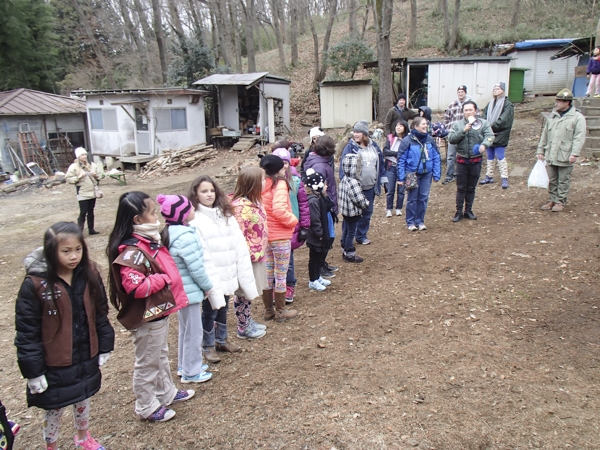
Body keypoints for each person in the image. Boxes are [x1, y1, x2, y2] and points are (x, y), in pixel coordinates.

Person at [16, 222, 115, 449]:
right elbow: (27, 332)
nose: (73, 256)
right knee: (54, 407)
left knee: (83, 397)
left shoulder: (88, 274)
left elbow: (100, 312)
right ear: (52, 250)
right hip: (55, 361)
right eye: (66, 251)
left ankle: (83, 436)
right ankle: (51, 445)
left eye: (78, 249)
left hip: (84, 354)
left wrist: (105, 344)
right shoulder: (35, 285)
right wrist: (34, 371)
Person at [107, 191, 194, 423]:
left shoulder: (148, 240)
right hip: (148, 316)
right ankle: (146, 405)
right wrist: (164, 279)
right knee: (147, 361)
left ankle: (166, 392)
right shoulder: (133, 250)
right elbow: (136, 287)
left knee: (160, 354)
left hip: (159, 311)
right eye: (153, 212)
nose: (157, 216)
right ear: (137, 220)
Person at [188, 176, 259, 360]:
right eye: (204, 191)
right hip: (211, 274)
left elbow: (237, 242)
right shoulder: (195, 219)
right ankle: (208, 344)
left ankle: (222, 339)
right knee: (210, 310)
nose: (209, 194)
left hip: (227, 270)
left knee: (223, 307)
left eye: (211, 190)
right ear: (196, 194)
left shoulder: (225, 214)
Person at [157, 194, 221, 383]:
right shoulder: (186, 236)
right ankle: (192, 372)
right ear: (183, 214)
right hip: (189, 291)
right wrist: (207, 286)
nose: (194, 210)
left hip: (179, 291)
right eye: (190, 208)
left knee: (185, 329)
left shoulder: (171, 232)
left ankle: (184, 365)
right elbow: (196, 268)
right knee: (194, 332)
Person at [230, 167, 269, 337]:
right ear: (252, 183)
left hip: (257, 253)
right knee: (243, 292)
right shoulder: (239, 207)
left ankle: (247, 320)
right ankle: (243, 326)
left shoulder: (255, 202)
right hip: (247, 256)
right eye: (262, 179)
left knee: (249, 291)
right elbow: (238, 234)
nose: (265, 182)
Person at [259, 155, 299, 321]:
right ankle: (281, 312)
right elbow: (279, 210)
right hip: (280, 237)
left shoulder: (261, 183)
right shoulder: (281, 183)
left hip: (266, 237)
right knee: (281, 274)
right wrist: (294, 221)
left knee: (268, 274)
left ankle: (269, 310)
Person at [537, 89, 586, 212]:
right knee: (552, 179)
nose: (556, 103)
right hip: (551, 153)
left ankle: (560, 201)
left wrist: (575, 153)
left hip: (565, 153)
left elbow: (579, 137)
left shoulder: (577, 117)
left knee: (563, 179)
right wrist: (540, 150)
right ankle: (552, 199)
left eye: (559, 101)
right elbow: (545, 135)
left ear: (567, 103)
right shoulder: (553, 116)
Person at [272, 148, 310, 304]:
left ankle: (289, 285)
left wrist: (305, 226)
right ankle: (276, 287)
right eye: (280, 163)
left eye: (286, 163)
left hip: (292, 226)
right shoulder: (269, 184)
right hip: (274, 228)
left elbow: (303, 204)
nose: (283, 166)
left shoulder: (295, 182)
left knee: (289, 260)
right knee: (273, 261)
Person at [339, 120, 386, 245]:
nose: (355, 134)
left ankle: (361, 236)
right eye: (354, 131)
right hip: (355, 187)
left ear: (365, 134)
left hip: (370, 186)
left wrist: (383, 179)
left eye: (358, 132)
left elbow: (380, 164)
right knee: (351, 215)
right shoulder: (350, 147)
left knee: (367, 213)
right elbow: (343, 166)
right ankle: (347, 237)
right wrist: (346, 183)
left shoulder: (374, 146)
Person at [448, 101, 495, 222]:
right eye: (466, 110)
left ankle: (468, 210)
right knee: (461, 187)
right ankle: (458, 212)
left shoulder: (483, 123)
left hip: (476, 160)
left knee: (471, 187)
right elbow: (451, 139)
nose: (468, 112)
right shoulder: (458, 124)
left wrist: (485, 145)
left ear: (476, 111)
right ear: (463, 112)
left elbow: (490, 136)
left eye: (470, 110)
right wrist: (463, 131)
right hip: (462, 160)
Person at [397, 117, 441, 231]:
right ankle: (410, 222)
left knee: (423, 198)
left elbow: (436, 157)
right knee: (412, 199)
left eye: (426, 124)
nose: (426, 126)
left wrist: (436, 174)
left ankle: (420, 221)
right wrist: (401, 177)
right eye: (423, 124)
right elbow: (401, 160)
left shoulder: (429, 140)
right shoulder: (407, 141)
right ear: (416, 126)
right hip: (412, 173)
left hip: (427, 174)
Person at [304, 135, 338, 277]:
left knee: (328, 235)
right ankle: (319, 269)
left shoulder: (322, 162)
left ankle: (322, 264)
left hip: (326, 203)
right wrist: (329, 204)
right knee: (325, 236)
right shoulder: (319, 165)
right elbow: (318, 188)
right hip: (324, 206)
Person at [480, 82, 515, 189]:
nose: (496, 90)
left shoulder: (507, 104)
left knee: (500, 155)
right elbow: (484, 115)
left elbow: (504, 120)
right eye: (494, 88)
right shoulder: (490, 103)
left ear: (503, 90)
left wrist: (490, 127)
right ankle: (489, 176)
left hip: (500, 134)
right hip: (489, 134)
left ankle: (504, 177)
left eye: (498, 88)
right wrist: (485, 126)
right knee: (489, 155)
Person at [305, 169, 335, 290]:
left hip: (321, 234)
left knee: (319, 257)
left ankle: (317, 277)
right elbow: (315, 220)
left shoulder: (321, 198)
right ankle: (313, 280)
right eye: (324, 184)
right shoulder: (313, 201)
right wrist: (320, 233)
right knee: (314, 258)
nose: (327, 186)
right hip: (316, 236)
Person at [338, 153, 369, 262]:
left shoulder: (344, 179)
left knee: (346, 229)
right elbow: (359, 199)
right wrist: (366, 203)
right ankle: (349, 253)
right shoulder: (353, 182)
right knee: (351, 232)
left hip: (345, 212)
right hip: (353, 212)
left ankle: (344, 249)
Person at [65, 147, 103, 235]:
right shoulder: (74, 167)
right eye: (82, 154)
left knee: (91, 211)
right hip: (82, 191)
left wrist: (95, 175)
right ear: (78, 156)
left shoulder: (92, 165)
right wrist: (79, 177)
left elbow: (101, 175)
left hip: (92, 191)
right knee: (83, 212)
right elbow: (68, 179)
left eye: (85, 154)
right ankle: (79, 231)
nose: (84, 156)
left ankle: (91, 229)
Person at [442, 86, 472, 185]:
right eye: (459, 92)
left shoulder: (470, 105)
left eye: (462, 92)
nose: (460, 94)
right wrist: (448, 129)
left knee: (463, 155)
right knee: (450, 156)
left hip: (465, 134)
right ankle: (449, 175)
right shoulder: (452, 105)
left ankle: (462, 175)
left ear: (465, 93)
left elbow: (477, 118)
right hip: (453, 134)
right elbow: (446, 118)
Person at [383, 119, 408, 217]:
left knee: (401, 189)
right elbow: (385, 151)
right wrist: (396, 154)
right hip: (391, 166)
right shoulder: (390, 138)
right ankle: (389, 209)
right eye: (397, 125)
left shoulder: (407, 139)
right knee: (390, 189)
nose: (398, 127)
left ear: (405, 128)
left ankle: (398, 208)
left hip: (402, 167)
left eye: (401, 126)